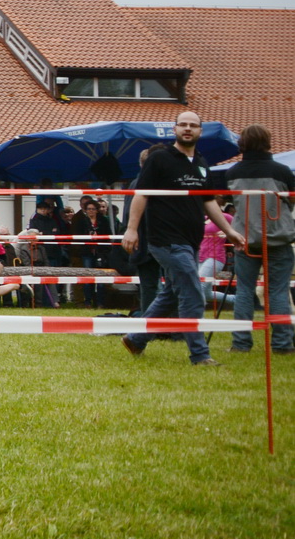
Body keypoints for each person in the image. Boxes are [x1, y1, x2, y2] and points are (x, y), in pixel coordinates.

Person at [122, 111, 244, 366]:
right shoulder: (160, 159)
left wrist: (230, 231)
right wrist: (132, 229)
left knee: (172, 294)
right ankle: (200, 355)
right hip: (165, 241)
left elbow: (208, 200)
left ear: (200, 131)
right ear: (175, 129)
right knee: (193, 294)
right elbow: (141, 195)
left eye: (193, 125)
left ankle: (136, 339)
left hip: (191, 242)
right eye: (183, 125)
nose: (188, 129)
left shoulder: (201, 162)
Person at [226, 125, 294, 354]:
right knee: (277, 291)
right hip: (278, 239)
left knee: (244, 290)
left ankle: (241, 343)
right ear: (267, 142)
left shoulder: (232, 173)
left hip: (244, 239)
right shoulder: (282, 172)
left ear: (242, 144)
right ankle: (282, 344)